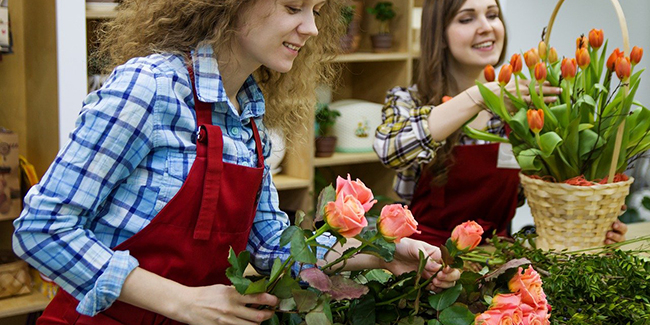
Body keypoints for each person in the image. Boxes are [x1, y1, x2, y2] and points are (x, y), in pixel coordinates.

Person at [13, 1, 459, 324]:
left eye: (316, 11)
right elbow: (41, 230)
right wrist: (180, 301)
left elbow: (271, 249)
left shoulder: (249, 119)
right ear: (231, 5)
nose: (312, 29)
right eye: (293, 7)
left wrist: (380, 255)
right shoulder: (148, 88)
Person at [373, 0, 628, 247]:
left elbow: (551, 193)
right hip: (426, 262)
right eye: (467, 18)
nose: (486, 26)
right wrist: (480, 97)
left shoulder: (524, 108)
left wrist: (593, 217)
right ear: (439, 34)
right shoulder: (408, 100)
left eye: (493, 15)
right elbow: (390, 149)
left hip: (498, 260)